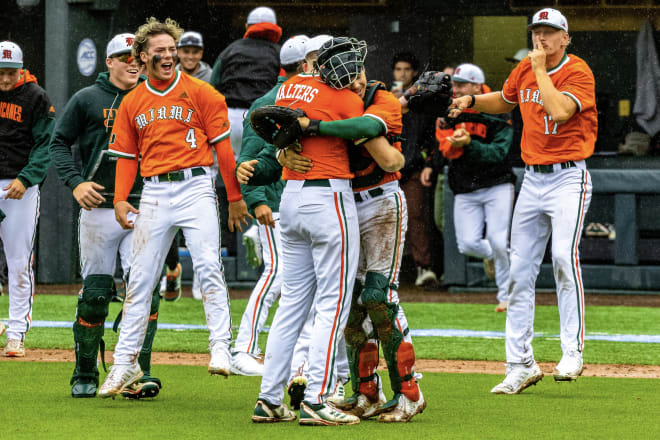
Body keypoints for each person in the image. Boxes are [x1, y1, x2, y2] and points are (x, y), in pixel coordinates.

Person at [97, 17, 251, 398]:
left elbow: (224, 150)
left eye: (172, 50)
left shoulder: (203, 92)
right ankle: (122, 364)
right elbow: (127, 158)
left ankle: (220, 347)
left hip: (196, 185)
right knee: (139, 281)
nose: (168, 56)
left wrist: (233, 197)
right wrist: (119, 199)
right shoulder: (132, 101)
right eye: (160, 51)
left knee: (208, 265)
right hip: (153, 192)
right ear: (143, 56)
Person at [449, 8, 597, 393]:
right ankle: (520, 363)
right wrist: (473, 102)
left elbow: (560, 110)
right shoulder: (526, 69)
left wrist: (541, 70)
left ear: (565, 38)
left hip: (568, 176)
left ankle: (572, 352)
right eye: (536, 32)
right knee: (518, 272)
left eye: (549, 33)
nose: (541, 40)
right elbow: (507, 100)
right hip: (533, 178)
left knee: (564, 257)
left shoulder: (577, 70)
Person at [250, 37, 371, 426]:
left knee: (292, 305)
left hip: (292, 198)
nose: (353, 70)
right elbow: (366, 130)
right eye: (348, 62)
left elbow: (273, 128)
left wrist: (283, 151)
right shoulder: (345, 98)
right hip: (328, 197)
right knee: (333, 304)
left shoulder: (288, 87)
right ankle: (317, 397)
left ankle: (269, 398)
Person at [49, 33, 165, 399]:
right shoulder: (86, 99)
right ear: (108, 62)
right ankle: (84, 372)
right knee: (96, 294)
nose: (132, 62)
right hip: (99, 206)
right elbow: (57, 142)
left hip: (145, 203)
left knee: (146, 291)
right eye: (122, 56)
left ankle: (136, 370)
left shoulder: (158, 97)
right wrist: (75, 183)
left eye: (136, 56)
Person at [230, 35, 309, 377]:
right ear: (305, 64)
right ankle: (244, 347)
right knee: (276, 273)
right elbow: (247, 158)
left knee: (306, 280)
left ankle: (301, 356)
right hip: (275, 201)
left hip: (303, 201)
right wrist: (257, 200)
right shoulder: (268, 100)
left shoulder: (315, 97)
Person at [422, 63, 515, 312]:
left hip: (497, 183)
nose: (456, 88)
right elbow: (445, 149)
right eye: (455, 83)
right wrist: (458, 145)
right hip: (464, 185)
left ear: (476, 86)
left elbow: (499, 152)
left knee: (497, 239)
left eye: (461, 84)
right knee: (467, 244)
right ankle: (501, 257)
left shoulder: (498, 105)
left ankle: (506, 295)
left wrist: (469, 144)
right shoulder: (449, 106)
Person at [0, 41, 55, 358]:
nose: (5, 80)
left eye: (10, 73)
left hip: (19, 184)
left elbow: (44, 145)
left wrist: (27, 177)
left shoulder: (36, 97)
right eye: (1, 73)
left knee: (19, 262)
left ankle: (17, 332)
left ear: (21, 69)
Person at [162, 30, 213, 302]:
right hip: (171, 152)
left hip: (200, 154)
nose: (190, 55)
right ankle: (171, 268)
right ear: (178, 52)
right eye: (186, 51)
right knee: (168, 223)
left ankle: (203, 283)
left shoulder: (210, 76)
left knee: (200, 224)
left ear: (201, 53)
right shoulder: (167, 73)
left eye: (195, 51)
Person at [391, 52, 438, 287]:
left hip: (413, 168)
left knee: (416, 216)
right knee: (386, 219)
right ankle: (388, 271)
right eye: (398, 70)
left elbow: (431, 137)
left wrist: (429, 164)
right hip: (388, 169)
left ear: (414, 72)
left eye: (406, 69)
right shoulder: (386, 100)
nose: (402, 74)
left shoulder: (423, 101)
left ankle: (423, 267)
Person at [210, 5, 282, 159]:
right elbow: (283, 88)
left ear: (246, 27)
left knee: (233, 168)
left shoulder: (230, 49)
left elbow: (212, 86)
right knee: (259, 168)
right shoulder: (278, 53)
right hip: (261, 118)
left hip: (229, 119)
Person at [506, 49, 530, 168]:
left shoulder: (539, 92)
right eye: (514, 66)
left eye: (519, 66)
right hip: (511, 157)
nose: (514, 69)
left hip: (531, 159)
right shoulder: (510, 90)